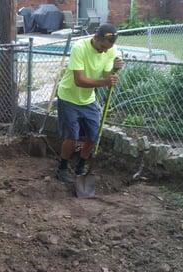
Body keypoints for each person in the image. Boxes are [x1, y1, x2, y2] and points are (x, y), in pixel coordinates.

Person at [55, 23, 124, 183]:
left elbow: (107, 73)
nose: (105, 51)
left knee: (93, 135)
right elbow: (79, 81)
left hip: (88, 99)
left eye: (108, 48)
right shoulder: (79, 48)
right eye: (102, 47)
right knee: (72, 136)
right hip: (69, 97)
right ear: (96, 38)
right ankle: (62, 168)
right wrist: (104, 82)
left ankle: (80, 166)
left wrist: (114, 69)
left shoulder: (110, 50)